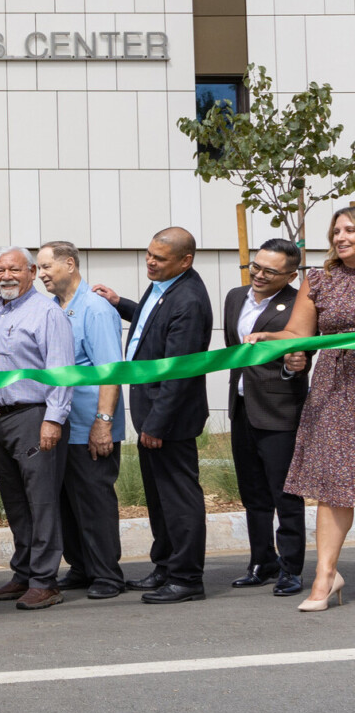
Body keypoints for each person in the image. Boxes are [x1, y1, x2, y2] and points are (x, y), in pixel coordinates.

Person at [93, 227, 214, 604]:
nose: (151, 262)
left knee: (179, 500)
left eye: (159, 258)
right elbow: (150, 324)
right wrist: (121, 303)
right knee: (159, 499)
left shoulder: (190, 300)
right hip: (151, 412)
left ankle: (187, 577)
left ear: (185, 260)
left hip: (169, 420)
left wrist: (156, 424)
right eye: (149, 254)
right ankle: (165, 566)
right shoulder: (164, 285)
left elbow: (177, 373)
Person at [247, 205, 355, 612]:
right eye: (337, 231)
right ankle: (326, 576)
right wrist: (276, 341)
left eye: (349, 230)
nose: (340, 237)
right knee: (334, 487)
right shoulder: (320, 280)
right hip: (338, 392)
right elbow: (298, 333)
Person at [0, 247, 75, 611]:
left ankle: (45, 581)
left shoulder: (47, 312)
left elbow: (61, 370)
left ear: (31, 272)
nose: (6, 276)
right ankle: (24, 572)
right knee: (16, 501)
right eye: (0, 270)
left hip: (33, 416)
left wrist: (53, 418)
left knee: (41, 501)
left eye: (14, 269)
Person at [35, 242, 128, 599]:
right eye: (39, 267)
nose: (41, 273)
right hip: (62, 425)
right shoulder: (54, 308)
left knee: (94, 502)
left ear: (69, 264)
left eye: (46, 266)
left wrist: (103, 422)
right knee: (67, 504)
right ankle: (82, 565)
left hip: (91, 423)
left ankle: (107, 574)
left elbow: (110, 371)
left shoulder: (96, 309)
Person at [224, 238, 310, 596]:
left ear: (290, 275)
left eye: (269, 271)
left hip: (279, 412)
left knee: (284, 494)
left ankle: (291, 568)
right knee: (252, 492)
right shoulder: (234, 297)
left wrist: (294, 367)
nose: (258, 275)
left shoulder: (299, 304)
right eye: (255, 267)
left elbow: (301, 358)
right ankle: (262, 562)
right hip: (242, 406)